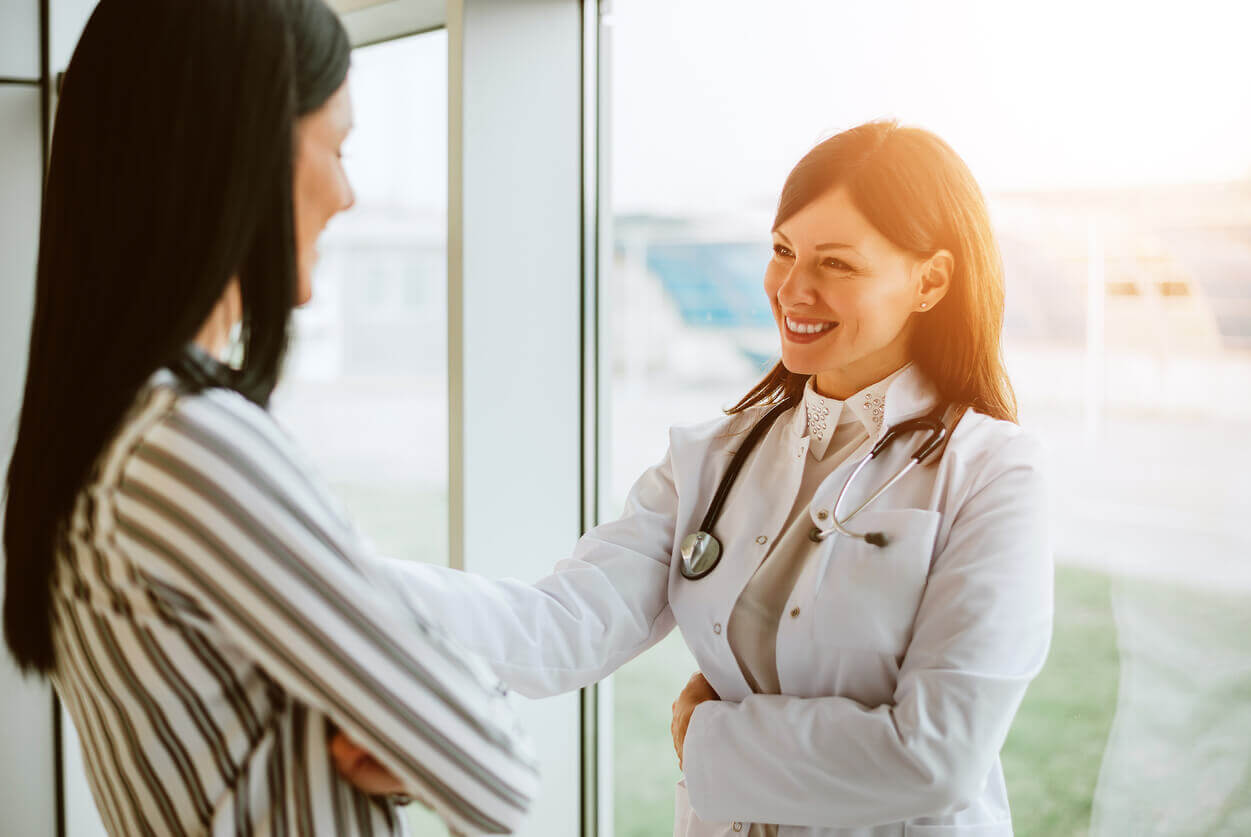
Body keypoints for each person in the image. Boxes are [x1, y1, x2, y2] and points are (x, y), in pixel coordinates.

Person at [337, 120, 1054, 836]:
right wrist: (347, 582)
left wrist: (707, 738)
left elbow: (937, 757)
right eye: (782, 251)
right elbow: (560, 625)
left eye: (836, 263)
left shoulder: (992, 472)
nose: (792, 288)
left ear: (929, 280)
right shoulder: (711, 456)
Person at [1, 0, 537, 834]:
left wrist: (386, 705)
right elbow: (496, 766)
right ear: (241, 154)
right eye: (339, 149)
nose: (349, 194)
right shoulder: (194, 443)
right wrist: (415, 697)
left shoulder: (112, 433)